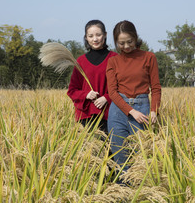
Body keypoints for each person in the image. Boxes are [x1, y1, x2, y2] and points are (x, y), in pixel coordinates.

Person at [106, 20, 162, 170]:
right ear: (116, 42)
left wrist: (153, 110)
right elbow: (112, 92)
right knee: (119, 155)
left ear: (136, 37)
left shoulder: (149, 57)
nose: (126, 46)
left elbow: (156, 88)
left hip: (142, 107)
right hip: (118, 110)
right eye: (121, 43)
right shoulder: (113, 62)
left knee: (140, 154)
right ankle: (120, 191)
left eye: (130, 42)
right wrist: (131, 111)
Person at [67, 20, 117, 135]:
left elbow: (122, 87)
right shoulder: (80, 61)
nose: (95, 39)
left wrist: (107, 98)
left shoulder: (115, 58)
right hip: (86, 117)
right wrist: (86, 95)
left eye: (98, 35)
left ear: (105, 35)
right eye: (91, 36)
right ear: (86, 38)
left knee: (110, 151)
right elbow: (72, 91)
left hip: (109, 115)